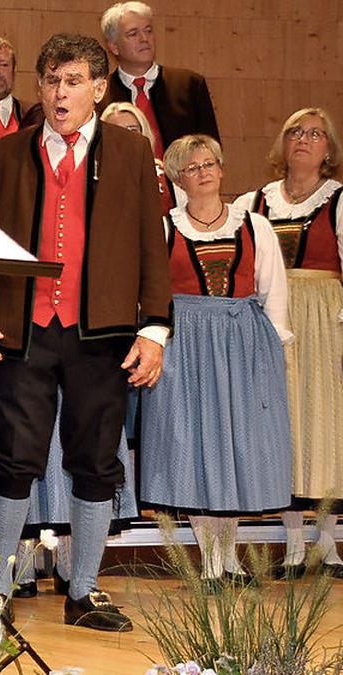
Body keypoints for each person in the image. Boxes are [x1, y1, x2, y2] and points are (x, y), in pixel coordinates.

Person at [0, 33, 171, 631]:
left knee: (96, 458)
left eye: (75, 80)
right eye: (53, 81)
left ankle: (83, 591)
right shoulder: (5, 155)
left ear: (100, 89)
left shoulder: (133, 153)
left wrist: (154, 329)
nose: (62, 92)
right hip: (23, 331)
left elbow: (151, 250)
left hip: (101, 332)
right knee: (12, 456)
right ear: (39, 87)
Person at [140, 134, 293, 587]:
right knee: (195, 449)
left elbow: (273, 294)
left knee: (236, 451)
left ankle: (229, 556)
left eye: (210, 163)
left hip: (243, 346)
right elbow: (151, 294)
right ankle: (209, 559)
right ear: (177, 178)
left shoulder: (255, 226)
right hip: (186, 345)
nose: (203, 172)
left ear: (222, 170)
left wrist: (273, 351)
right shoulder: (165, 227)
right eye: (192, 167)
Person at [234, 108, 343, 579]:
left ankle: (328, 541)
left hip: (323, 316)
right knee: (284, 424)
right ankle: (295, 543)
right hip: (269, 318)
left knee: (323, 423)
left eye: (316, 134)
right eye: (295, 132)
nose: (304, 140)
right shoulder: (253, 203)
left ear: (329, 149)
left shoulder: (339, 201)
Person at [100, 1, 220, 158]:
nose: (144, 38)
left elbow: (211, 147)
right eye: (133, 34)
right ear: (114, 46)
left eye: (148, 31)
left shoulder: (189, 85)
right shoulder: (100, 94)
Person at [102, 101, 183, 212]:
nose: (127, 137)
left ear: (143, 132)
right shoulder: (94, 177)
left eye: (133, 130)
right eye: (117, 131)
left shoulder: (165, 173)